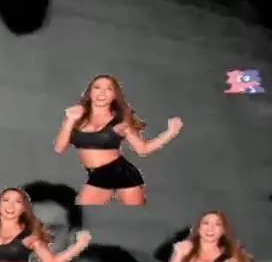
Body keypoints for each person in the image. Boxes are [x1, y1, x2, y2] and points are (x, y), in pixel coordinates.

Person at [53, 74, 182, 205]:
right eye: (97, 87)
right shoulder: (77, 118)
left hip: (120, 173)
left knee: (133, 215)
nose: (102, 93)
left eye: (109, 89)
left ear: (114, 96)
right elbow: (59, 148)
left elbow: (142, 149)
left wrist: (170, 133)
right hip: (96, 174)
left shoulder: (120, 123)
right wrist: (70, 119)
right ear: (89, 92)